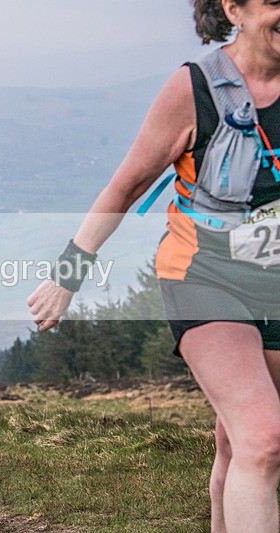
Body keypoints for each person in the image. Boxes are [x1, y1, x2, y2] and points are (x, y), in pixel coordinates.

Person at [27, 1, 280, 531]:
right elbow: (128, 184)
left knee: (239, 442)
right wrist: (68, 274)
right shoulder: (195, 88)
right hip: (205, 275)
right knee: (265, 436)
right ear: (233, 8)